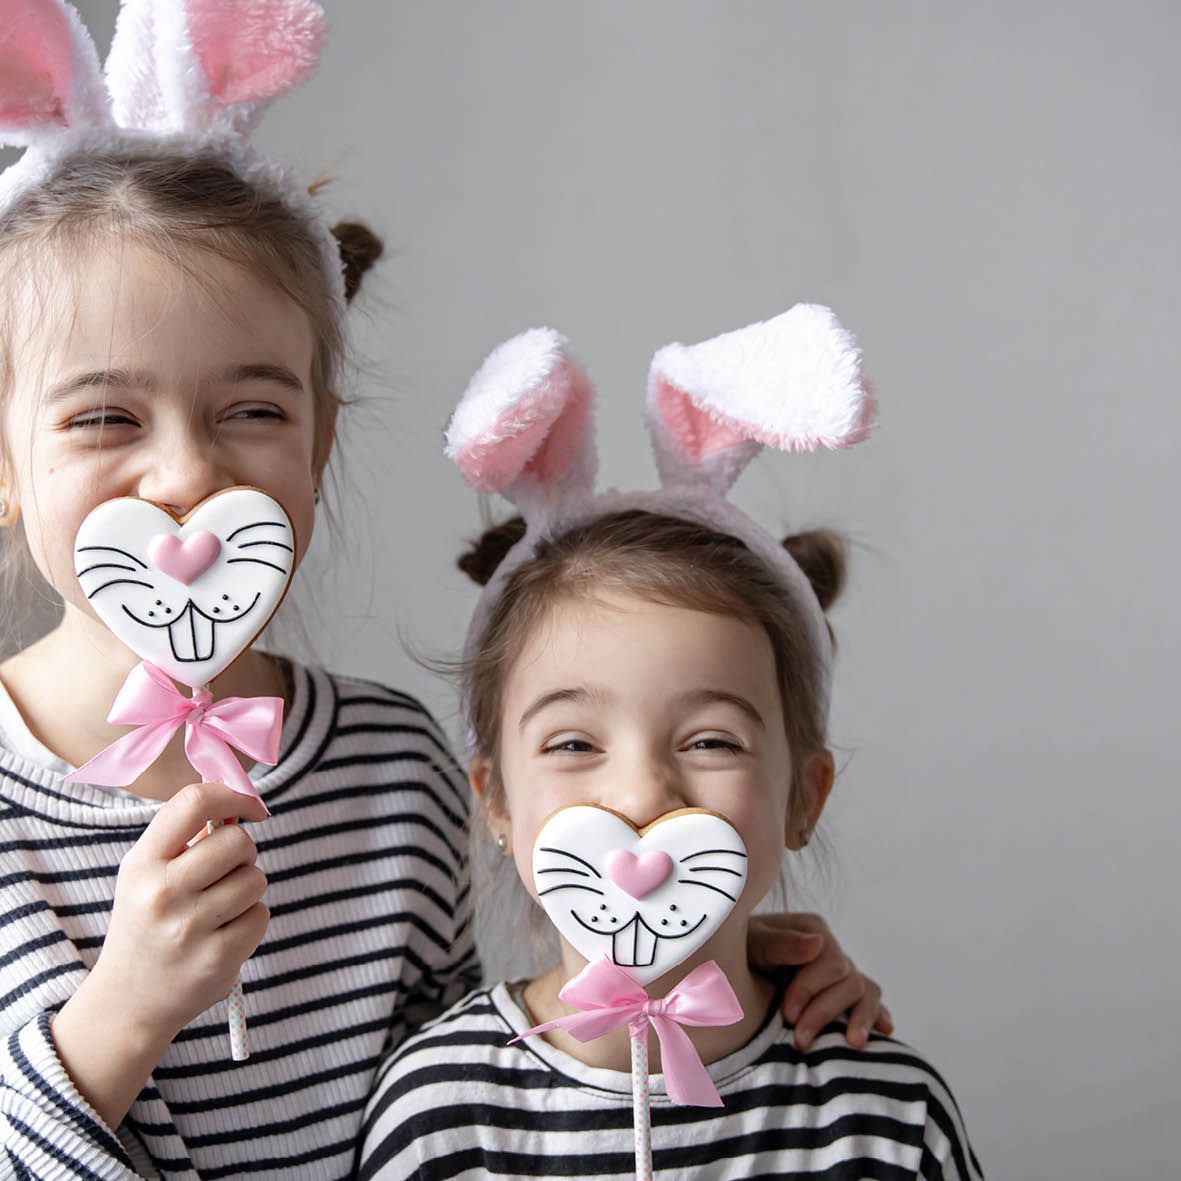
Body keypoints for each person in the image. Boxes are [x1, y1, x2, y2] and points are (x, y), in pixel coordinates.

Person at [0, 3, 889, 1177]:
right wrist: (119, 1014)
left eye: (254, 410)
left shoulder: (394, 765)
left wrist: (709, 959)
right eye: (106, 415)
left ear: (319, 445)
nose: (185, 471)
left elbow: (465, 1089)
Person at [358, 319, 982, 1179]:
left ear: (804, 795)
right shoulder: (436, 1111)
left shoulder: (885, 1116)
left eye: (711, 739)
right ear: (496, 799)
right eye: (574, 740)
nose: (644, 791)